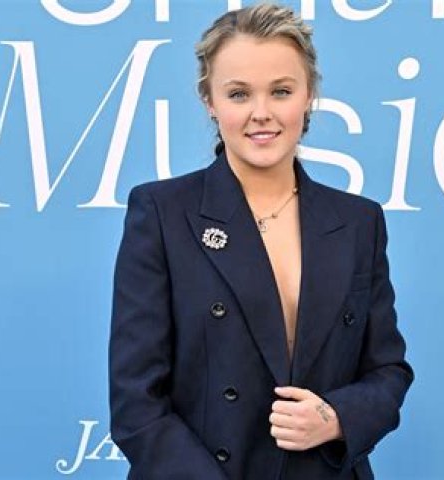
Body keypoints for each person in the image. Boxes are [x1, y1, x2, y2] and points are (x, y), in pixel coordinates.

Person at [108, 3, 413, 479]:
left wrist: (335, 418)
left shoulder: (359, 222)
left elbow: (388, 371)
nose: (262, 114)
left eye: (281, 91)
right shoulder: (162, 213)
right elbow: (137, 404)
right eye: (238, 94)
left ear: (309, 95)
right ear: (209, 101)